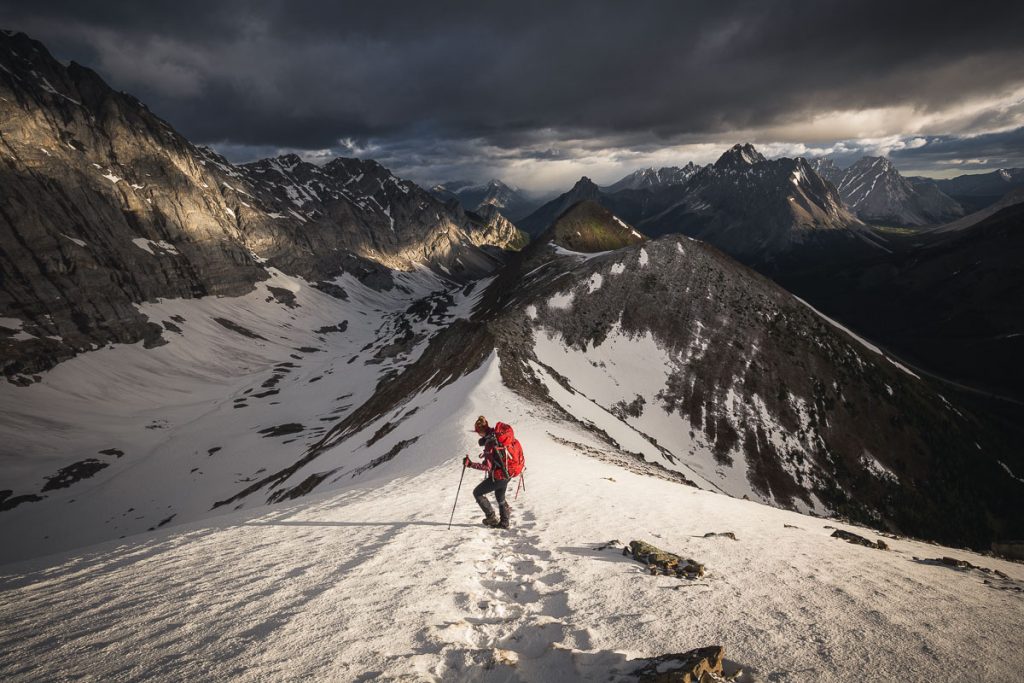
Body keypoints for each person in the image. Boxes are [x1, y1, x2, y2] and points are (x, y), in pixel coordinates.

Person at [464, 415, 512, 529]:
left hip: (499, 476)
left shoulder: (490, 443)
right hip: (507, 473)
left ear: (481, 431)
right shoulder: (496, 436)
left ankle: (491, 518)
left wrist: (471, 464)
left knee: (477, 493)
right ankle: (504, 522)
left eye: (478, 432)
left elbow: (487, 467)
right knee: (499, 496)